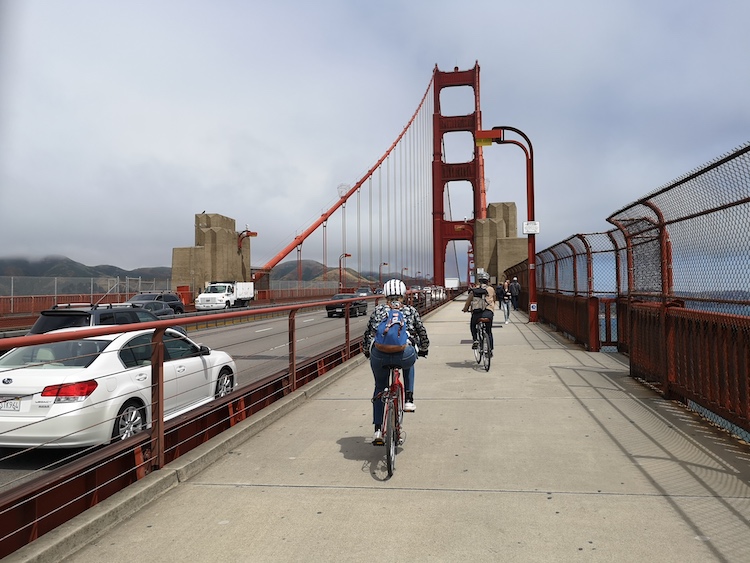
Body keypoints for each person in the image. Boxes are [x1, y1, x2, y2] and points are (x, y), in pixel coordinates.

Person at [363, 278, 429, 445]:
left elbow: (367, 335)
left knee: (379, 387)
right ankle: (408, 400)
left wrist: (366, 351)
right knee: (409, 359)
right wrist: (424, 348)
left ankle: (378, 430)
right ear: (403, 295)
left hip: (379, 354)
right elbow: (422, 332)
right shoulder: (410, 310)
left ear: (386, 295)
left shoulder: (378, 310)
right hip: (403, 354)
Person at [462, 271, 496, 353]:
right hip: (488, 313)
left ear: (479, 281)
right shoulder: (491, 289)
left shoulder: (474, 290)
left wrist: (465, 309)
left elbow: (468, 301)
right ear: (487, 281)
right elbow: (494, 299)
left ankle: (475, 340)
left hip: (477, 313)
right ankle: (490, 350)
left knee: (473, 325)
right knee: (488, 331)